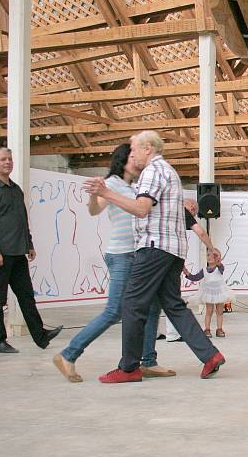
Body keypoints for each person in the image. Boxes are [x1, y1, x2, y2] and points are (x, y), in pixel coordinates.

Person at [84, 130, 225, 382]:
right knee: (173, 305)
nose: (132, 153)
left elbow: (141, 209)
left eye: (134, 148)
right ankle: (210, 355)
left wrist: (106, 193)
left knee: (132, 303)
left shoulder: (152, 171)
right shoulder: (168, 171)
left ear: (148, 148)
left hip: (154, 247)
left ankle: (129, 368)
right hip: (173, 250)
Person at [54, 144, 174, 382]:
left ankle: (147, 361)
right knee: (115, 310)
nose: (137, 159)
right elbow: (94, 211)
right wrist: (94, 193)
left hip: (138, 254)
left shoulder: (135, 186)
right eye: (132, 156)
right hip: (122, 255)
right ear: (122, 160)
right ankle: (68, 355)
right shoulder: (112, 183)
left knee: (151, 307)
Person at [0, 147, 62, 354]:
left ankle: (40, 336)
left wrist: (30, 244)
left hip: (18, 252)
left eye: (10, 159)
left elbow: (22, 220)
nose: (8, 162)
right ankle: (0, 340)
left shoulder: (16, 189)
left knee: (26, 296)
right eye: (3, 159)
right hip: (2, 254)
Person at [163, 198, 216, 343]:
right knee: (173, 296)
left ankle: (153, 335)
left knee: (155, 298)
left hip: (156, 255)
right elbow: (201, 232)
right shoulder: (182, 212)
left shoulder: (165, 211)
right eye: (194, 214)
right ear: (192, 208)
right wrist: (212, 249)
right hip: (170, 257)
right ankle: (173, 334)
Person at [184, 248, 234, 338]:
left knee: (219, 312)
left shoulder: (220, 268)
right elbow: (195, 278)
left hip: (219, 292)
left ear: (217, 258)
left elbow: (220, 265)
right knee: (209, 312)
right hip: (209, 293)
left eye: (213, 255)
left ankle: (219, 329)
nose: (210, 257)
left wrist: (218, 258)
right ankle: (207, 329)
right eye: (208, 255)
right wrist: (187, 273)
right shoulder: (204, 270)